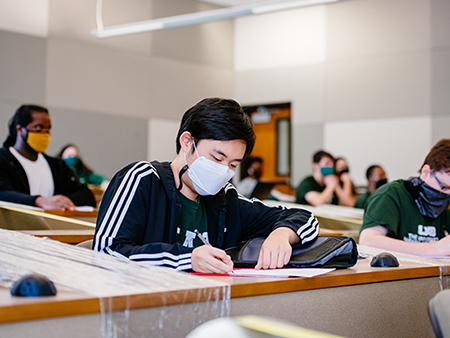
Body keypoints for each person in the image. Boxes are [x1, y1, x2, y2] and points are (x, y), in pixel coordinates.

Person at [93, 98, 319, 273]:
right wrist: (186, 259)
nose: (224, 171)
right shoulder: (142, 180)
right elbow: (105, 252)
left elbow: (305, 218)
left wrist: (282, 234)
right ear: (187, 142)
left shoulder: (225, 200)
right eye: (217, 158)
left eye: (232, 164)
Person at [359, 139, 450, 256]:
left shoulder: (444, 209)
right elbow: (368, 241)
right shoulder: (391, 195)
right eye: (445, 187)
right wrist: (433, 249)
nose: (447, 194)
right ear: (426, 172)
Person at [0, 105, 96, 210]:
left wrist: (61, 201)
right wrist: (39, 201)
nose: (45, 133)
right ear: (20, 129)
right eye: (39, 127)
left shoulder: (56, 165)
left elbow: (86, 195)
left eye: (48, 129)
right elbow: (3, 193)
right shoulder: (4, 159)